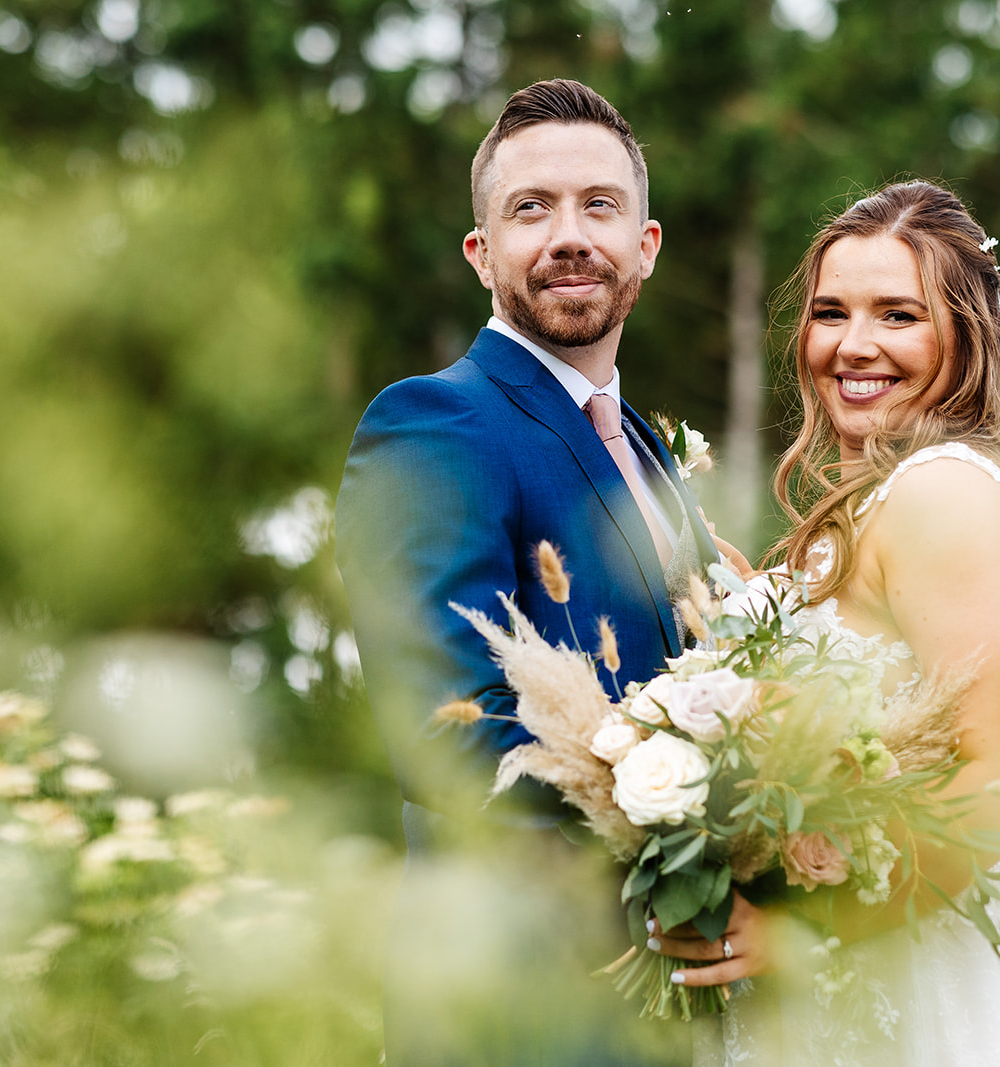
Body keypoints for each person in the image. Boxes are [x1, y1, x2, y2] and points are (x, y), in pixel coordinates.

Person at [652, 181, 1000, 1066]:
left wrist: (820, 925)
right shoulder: (884, 500)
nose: (853, 344)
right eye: (831, 312)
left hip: (929, 997)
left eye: (897, 315)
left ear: (963, 335)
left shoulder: (944, 493)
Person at [335, 79, 724, 1066]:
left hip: (683, 1005)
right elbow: (448, 728)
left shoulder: (650, 451)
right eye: (530, 209)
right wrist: (700, 832)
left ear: (646, 245)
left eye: (599, 205)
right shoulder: (434, 422)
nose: (568, 235)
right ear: (481, 254)